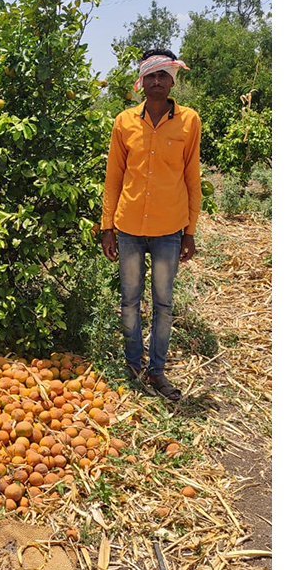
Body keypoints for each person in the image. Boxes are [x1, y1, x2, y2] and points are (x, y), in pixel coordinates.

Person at [100, 48, 202, 401]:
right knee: (129, 300)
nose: (157, 81)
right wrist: (107, 226)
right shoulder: (124, 122)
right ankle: (133, 365)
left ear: (173, 80)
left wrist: (190, 230)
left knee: (163, 302)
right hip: (128, 226)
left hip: (169, 229)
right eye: (151, 75)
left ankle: (156, 371)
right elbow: (113, 177)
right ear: (142, 80)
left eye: (164, 75)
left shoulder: (189, 121)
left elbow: (192, 177)